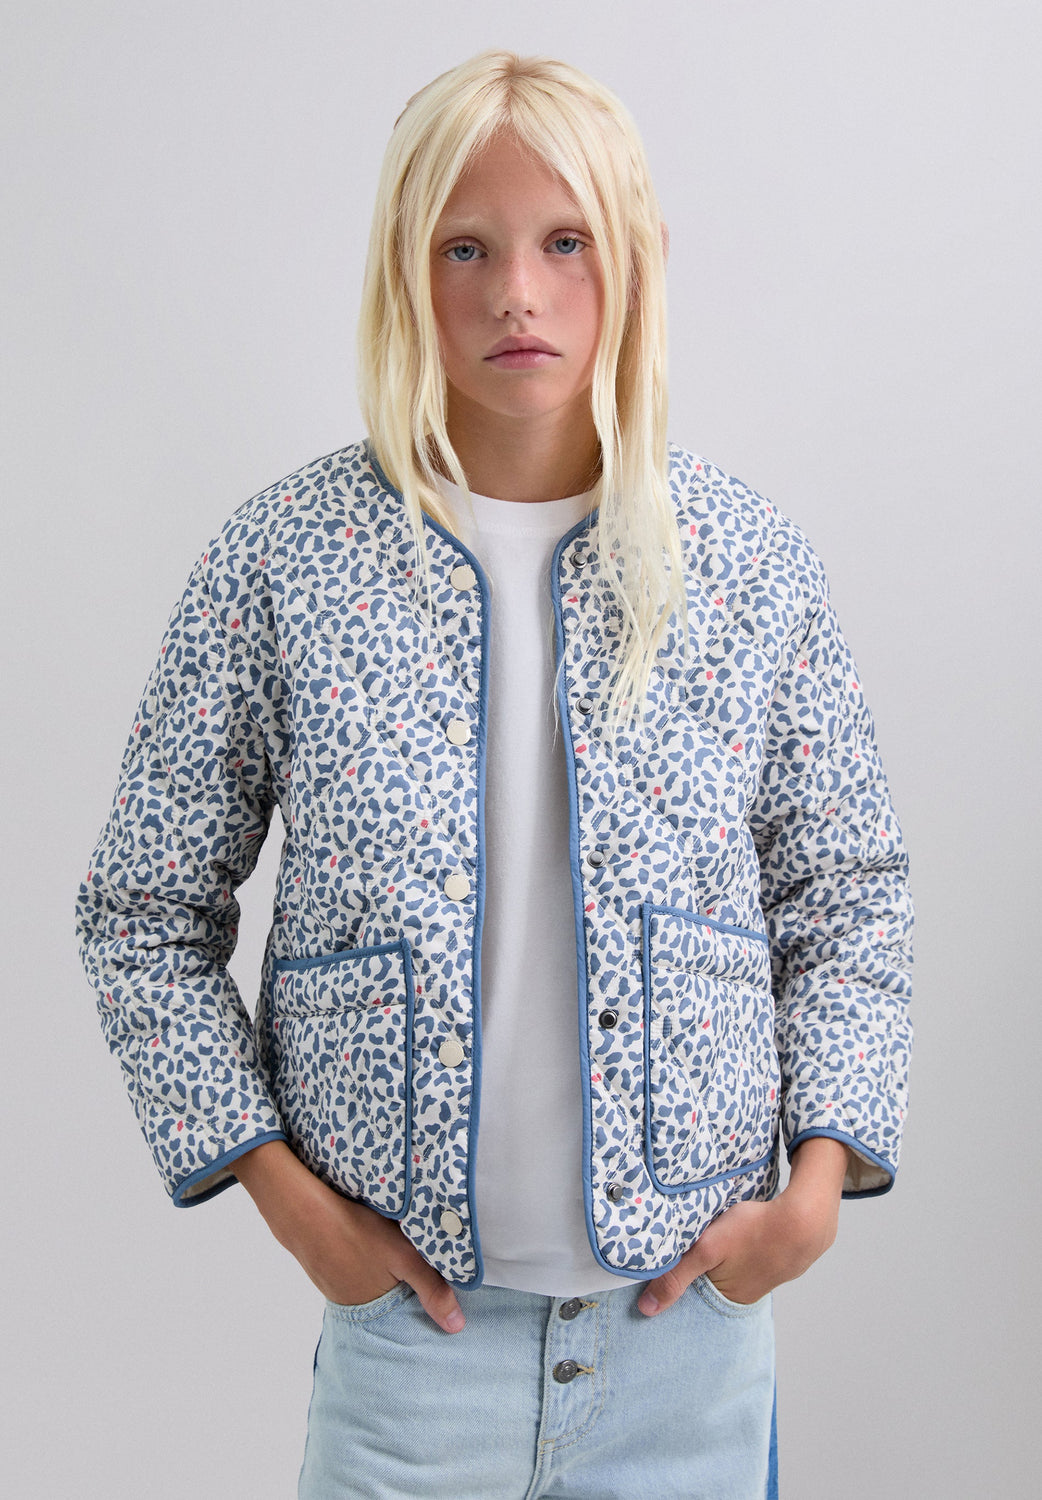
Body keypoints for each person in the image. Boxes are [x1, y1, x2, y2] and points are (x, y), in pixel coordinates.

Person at [76, 50, 913, 1500]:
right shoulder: (285, 562)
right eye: (465, 248)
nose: (517, 292)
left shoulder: (746, 565)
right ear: (404, 272)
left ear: (637, 258)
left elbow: (847, 896)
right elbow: (141, 911)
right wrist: (281, 1194)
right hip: (414, 1351)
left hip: (686, 1343)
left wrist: (818, 1186)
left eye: (565, 242)